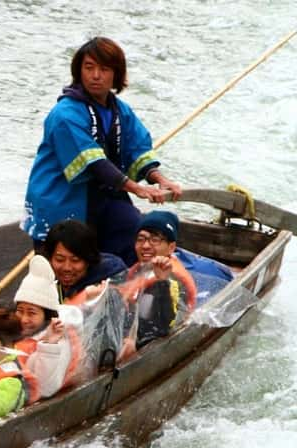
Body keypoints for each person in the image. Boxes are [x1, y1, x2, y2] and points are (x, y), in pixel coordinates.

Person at [22, 37, 182, 265]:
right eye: (89, 68)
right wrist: (137, 188)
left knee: (134, 233)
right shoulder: (64, 115)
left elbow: (138, 149)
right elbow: (94, 163)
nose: (95, 75)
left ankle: (133, 288)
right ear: (79, 72)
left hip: (104, 195)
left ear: (116, 74)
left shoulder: (120, 110)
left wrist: (159, 179)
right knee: (65, 263)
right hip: (64, 198)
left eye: (104, 69)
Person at [12, 255, 80, 399]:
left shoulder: (60, 339)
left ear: (48, 316)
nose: (24, 319)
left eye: (31, 313)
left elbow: (45, 389)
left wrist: (49, 344)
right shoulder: (14, 334)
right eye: (20, 311)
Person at [43, 219, 126, 301]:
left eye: (75, 260)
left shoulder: (107, 289)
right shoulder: (45, 289)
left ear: (89, 260)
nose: (67, 268)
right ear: (50, 259)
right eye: (59, 260)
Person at [130, 210, 196, 311]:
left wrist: (162, 282)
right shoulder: (139, 267)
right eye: (140, 239)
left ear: (171, 247)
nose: (145, 246)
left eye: (155, 240)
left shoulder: (177, 276)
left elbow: (174, 319)